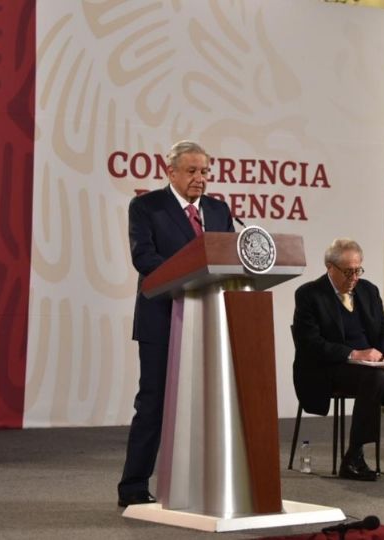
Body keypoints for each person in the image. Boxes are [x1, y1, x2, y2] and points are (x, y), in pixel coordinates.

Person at [117, 140, 235, 507]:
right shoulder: (146, 206)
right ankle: (133, 487)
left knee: (205, 404)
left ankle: (200, 485)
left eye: (205, 171)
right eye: (192, 171)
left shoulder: (218, 210)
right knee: (153, 403)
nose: (200, 178)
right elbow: (144, 258)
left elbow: (228, 256)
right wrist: (190, 275)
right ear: (171, 172)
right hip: (162, 319)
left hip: (208, 321)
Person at [292, 238, 384, 481]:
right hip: (330, 367)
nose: (354, 278)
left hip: (371, 365)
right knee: (374, 378)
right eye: (348, 272)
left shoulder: (368, 290)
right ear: (330, 267)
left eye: (358, 270)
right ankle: (354, 456)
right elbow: (310, 343)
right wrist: (354, 354)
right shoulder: (309, 294)